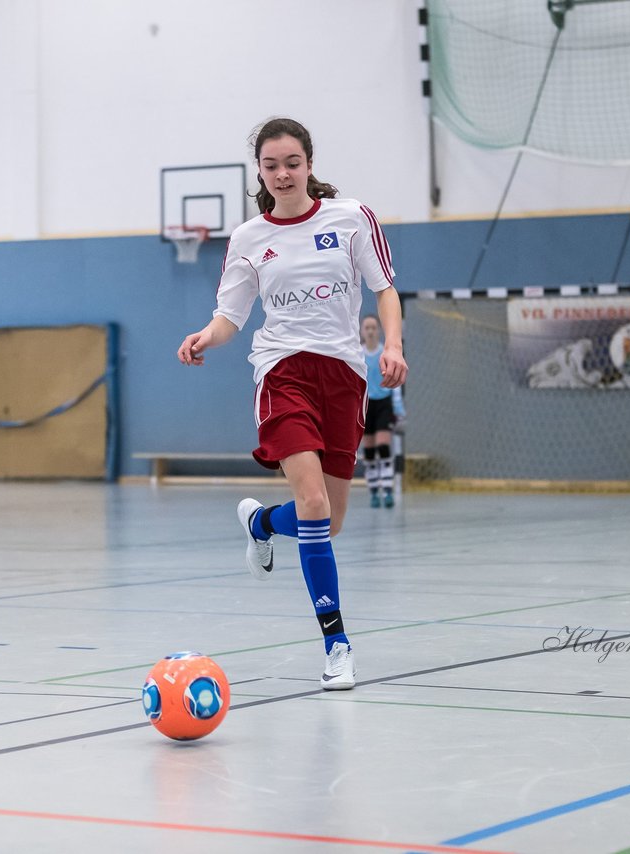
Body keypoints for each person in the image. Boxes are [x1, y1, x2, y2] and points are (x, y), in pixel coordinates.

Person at [178, 117, 407, 690]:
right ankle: (337, 645)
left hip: (344, 375)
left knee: (326, 522)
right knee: (310, 501)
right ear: (259, 171)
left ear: (309, 164)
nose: (282, 174)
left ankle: (259, 522)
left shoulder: (351, 218)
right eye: (271, 165)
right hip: (282, 370)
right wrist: (206, 336)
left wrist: (394, 346)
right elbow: (230, 316)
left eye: (292, 163)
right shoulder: (249, 238)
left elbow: (384, 290)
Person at [360, 314, 405, 508]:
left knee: (383, 445)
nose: (370, 331)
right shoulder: (358, 354)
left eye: (373, 327)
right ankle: (373, 492)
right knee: (369, 450)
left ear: (378, 330)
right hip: (365, 405)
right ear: (362, 331)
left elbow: (394, 381)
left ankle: (387, 489)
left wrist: (398, 407)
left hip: (384, 403)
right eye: (367, 328)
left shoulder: (384, 354)